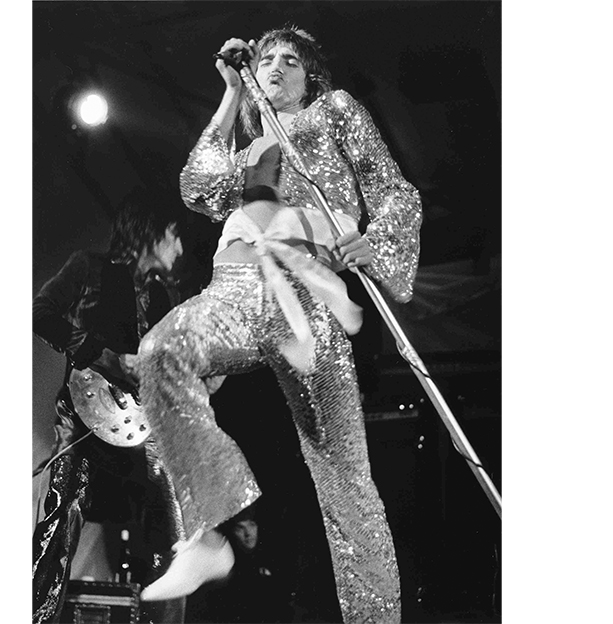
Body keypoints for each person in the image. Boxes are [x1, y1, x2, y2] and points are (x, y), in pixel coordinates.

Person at [135, 26, 422, 622]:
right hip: (235, 291)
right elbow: (197, 187)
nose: (275, 66)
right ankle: (209, 533)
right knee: (161, 351)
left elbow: (394, 191)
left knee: (344, 479)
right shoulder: (249, 145)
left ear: (309, 76)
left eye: (291, 60)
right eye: (266, 59)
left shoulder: (334, 110)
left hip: (306, 299)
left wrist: (376, 242)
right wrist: (230, 93)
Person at [31, 192, 186, 624]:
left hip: (142, 428)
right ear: (150, 232)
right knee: (60, 524)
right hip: (83, 422)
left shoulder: (165, 297)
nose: (179, 248)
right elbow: (40, 313)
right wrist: (102, 355)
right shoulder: (89, 267)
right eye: (173, 235)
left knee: (170, 525)